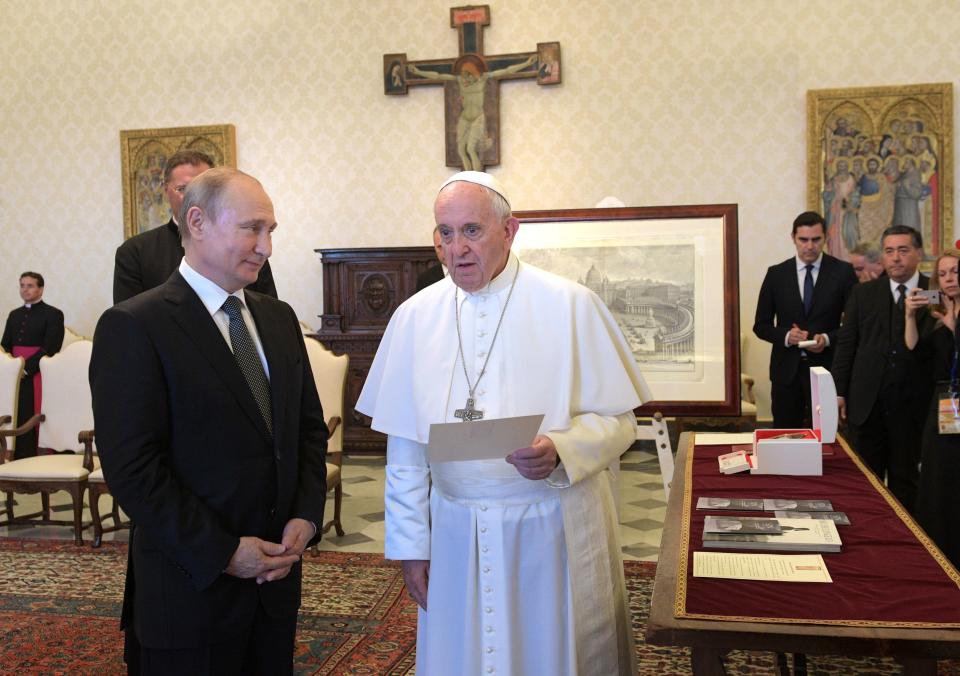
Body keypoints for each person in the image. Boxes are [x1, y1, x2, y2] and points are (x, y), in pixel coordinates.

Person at [356, 171, 649, 675]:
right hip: (453, 528)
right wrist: (410, 546)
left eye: (472, 230)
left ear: (510, 231)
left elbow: (620, 422)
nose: (457, 249)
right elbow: (404, 449)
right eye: (445, 234)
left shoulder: (570, 305)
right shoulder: (413, 317)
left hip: (548, 523)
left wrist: (561, 448)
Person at [89, 168, 328, 674]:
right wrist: (222, 552)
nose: (266, 247)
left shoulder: (279, 319)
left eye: (271, 231)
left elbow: (307, 431)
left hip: (275, 590)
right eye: (251, 228)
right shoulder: (135, 325)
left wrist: (306, 516)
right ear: (196, 222)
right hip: (189, 592)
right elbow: (133, 468)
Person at [832, 225, 930, 510]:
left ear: (918, 253)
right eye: (889, 251)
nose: (896, 258)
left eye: (903, 250)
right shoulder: (863, 294)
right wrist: (839, 392)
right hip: (867, 401)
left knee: (906, 480)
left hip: (913, 404)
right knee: (866, 481)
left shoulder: (934, 291)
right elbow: (847, 345)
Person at [113, 150, 278, 304]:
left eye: (205, 189)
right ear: (165, 190)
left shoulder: (250, 251)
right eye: (184, 189)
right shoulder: (135, 251)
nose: (195, 197)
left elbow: (267, 310)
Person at [753, 212, 857, 428]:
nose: (810, 246)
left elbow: (855, 325)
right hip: (786, 372)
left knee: (827, 437)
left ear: (825, 237)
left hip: (828, 370)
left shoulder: (843, 272)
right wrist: (786, 336)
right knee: (784, 436)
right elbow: (760, 326)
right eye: (803, 240)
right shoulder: (776, 274)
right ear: (793, 238)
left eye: (816, 240)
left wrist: (827, 339)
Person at [905, 248, 960, 566]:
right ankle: (938, 555)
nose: (949, 278)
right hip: (940, 406)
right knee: (936, 480)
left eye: (955, 272)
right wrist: (910, 316)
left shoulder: (950, 318)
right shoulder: (936, 310)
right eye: (943, 273)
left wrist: (954, 329)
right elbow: (915, 353)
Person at [408, 55, 536, 170]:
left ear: (472, 74)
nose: (464, 79)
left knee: (470, 148)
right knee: (461, 150)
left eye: (467, 75)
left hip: (477, 119)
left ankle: (476, 179)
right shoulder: (460, 81)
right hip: (464, 118)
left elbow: (506, 71)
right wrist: (419, 72)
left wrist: (527, 64)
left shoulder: (483, 79)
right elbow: (438, 76)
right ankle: (468, 178)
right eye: (462, 75)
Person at [1, 272, 64, 458]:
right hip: (14, 373)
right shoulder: (14, 315)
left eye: (30, 285)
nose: (25, 289)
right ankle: (13, 453)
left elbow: (50, 347)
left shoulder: (53, 314)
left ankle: (37, 454)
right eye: (22, 285)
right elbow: (5, 345)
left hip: (37, 372)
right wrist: (10, 368)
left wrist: (26, 368)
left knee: (34, 412)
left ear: (40, 289)